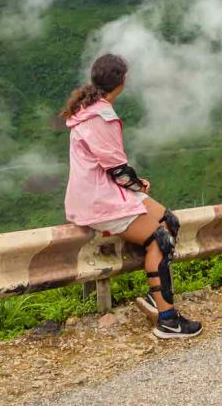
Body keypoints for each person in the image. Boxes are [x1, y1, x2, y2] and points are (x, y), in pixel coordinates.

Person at [61, 53, 202, 339]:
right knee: (159, 240)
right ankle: (168, 320)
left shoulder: (88, 109)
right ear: (121, 82)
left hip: (102, 191)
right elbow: (119, 172)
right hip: (101, 200)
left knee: (168, 222)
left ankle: (156, 296)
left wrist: (135, 185)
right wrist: (137, 185)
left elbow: (115, 169)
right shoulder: (101, 116)